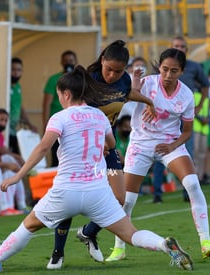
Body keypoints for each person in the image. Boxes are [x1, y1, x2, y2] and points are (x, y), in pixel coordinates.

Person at [0, 65, 193, 272]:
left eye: (59, 94)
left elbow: (43, 147)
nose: (59, 98)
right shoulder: (99, 116)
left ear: (66, 94)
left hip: (66, 191)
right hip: (97, 192)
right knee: (131, 234)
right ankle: (164, 245)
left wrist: (18, 176)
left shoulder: (59, 117)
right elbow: (112, 145)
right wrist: (101, 149)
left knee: (27, 227)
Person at [48, 40, 156, 269]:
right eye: (109, 69)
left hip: (109, 146)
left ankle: (88, 232)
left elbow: (127, 94)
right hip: (82, 149)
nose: (113, 75)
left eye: (118, 71)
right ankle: (57, 253)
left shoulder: (124, 80)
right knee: (70, 198)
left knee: (119, 198)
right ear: (102, 61)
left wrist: (148, 101)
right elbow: (73, 112)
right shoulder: (88, 80)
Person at [107, 48, 210, 262]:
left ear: (182, 71)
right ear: (159, 67)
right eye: (165, 69)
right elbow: (127, 96)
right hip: (140, 144)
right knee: (127, 200)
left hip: (170, 144)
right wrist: (136, 85)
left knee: (193, 184)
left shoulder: (186, 95)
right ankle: (118, 248)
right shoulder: (146, 82)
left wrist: (172, 146)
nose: (168, 75)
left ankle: (206, 242)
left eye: (174, 71)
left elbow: (187, 131)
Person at [171, 36, 210, 201]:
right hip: (167, 117)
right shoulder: (165, 66)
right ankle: (157, 192)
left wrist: (200, 106)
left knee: (188, 152)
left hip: (185, 117)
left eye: (182, 46)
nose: (179, 49)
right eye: (176, 46)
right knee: (157, 153)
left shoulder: (193, 66)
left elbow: (206, 84)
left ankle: (187, 192)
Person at [42, 50, 78, 167]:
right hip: (58, 126)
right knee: (57, 158)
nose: (68, 63)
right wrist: (46, 125)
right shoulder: (54, 79)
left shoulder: (80, 80)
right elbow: (46, 103)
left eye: (71, 61)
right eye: (66, 61)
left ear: (76, 62)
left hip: (76, 125)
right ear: (61, 62)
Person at [0, 108, 29, 212]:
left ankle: (15, 206)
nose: (3, 123)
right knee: (11, 161)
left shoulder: (0, 135)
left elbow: (4, 150)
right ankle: (8, 206)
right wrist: (18, 158)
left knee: (12, 174)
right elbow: (1, 151)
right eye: (0, 120)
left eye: (5, 121)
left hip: (0, 166)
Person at [10, 57, 38, 155]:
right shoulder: (5, 86)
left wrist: (30, 124)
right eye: (13, 69)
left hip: (15, 130)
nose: (16, 73)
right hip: (7, 130)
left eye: (18, 70)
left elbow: (20, 107)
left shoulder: (18, 86)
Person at [193, 90, 210, 183]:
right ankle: (194, 175)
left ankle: (200, 176)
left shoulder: (206, 96)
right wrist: (201, 119)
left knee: (202, 153)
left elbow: (208, 110)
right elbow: (192, 109)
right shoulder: (194, 94)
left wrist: (208, 119)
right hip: (196, 127)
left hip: (204, 128)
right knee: (195, 152)